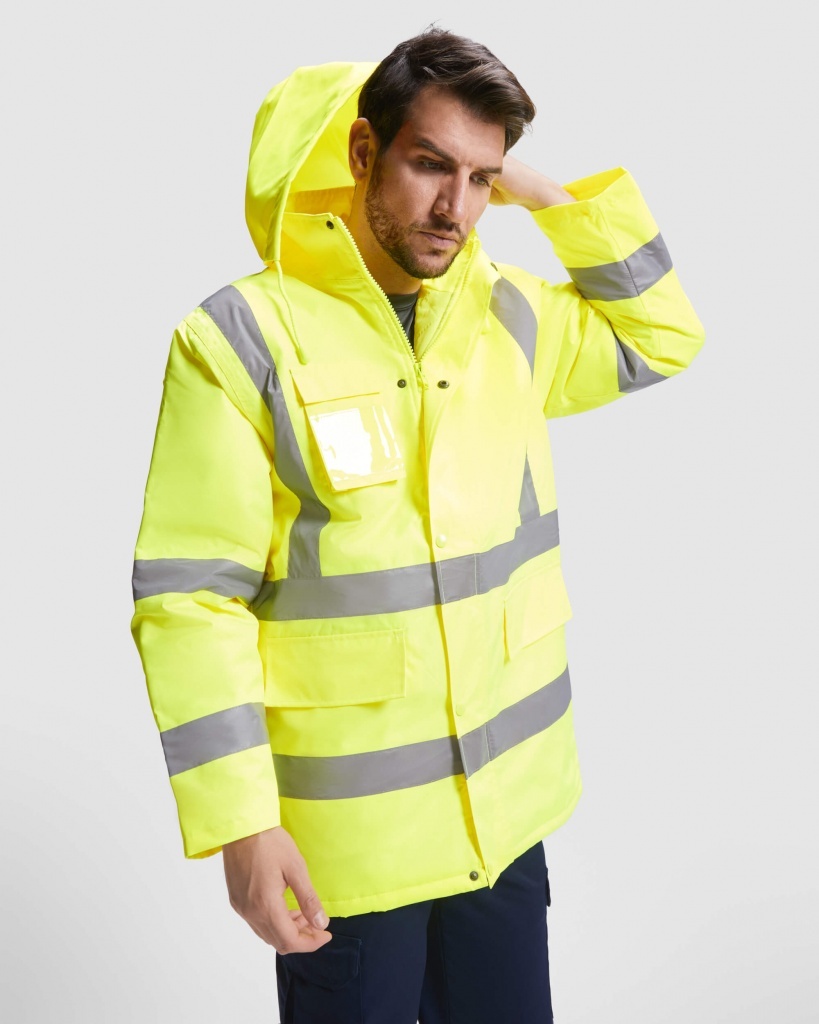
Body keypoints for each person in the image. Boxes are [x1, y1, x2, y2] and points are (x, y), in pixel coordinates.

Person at [131, 27, 704, 1024]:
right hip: (348, 849)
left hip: (504, 822)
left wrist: (544, 194)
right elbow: (191, 597)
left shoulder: (507, 317)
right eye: (431, 164)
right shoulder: (241, 340)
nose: (456, 209)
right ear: (362, 151)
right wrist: (241, 824)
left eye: (481, 178)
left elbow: (661, 337)